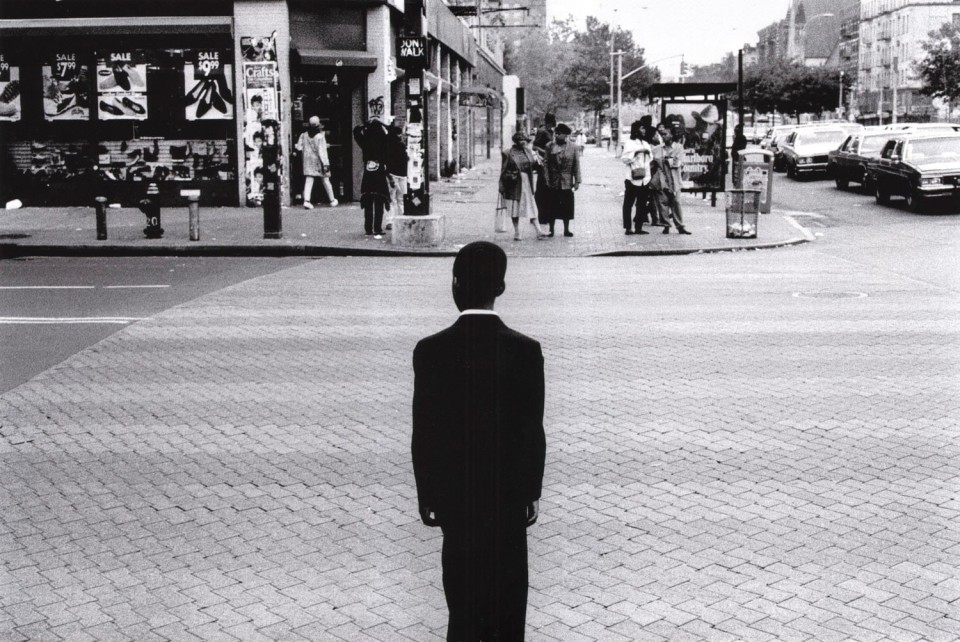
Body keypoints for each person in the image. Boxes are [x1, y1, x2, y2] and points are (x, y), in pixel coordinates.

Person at [412, 241, 546, 642]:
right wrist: (530, 492)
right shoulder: (525, 350)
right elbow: (531, 432)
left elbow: (424, 433)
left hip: (457, 501)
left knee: (464, 601)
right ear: (500, 288)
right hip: (506, 501)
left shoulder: (431, 350)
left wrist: (428, 495)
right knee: (508, 602)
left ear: (455, 284)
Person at [500, 132, 547, 241]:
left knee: (531, 205)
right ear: (516, 141)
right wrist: (502, 185)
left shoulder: (529, 151)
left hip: (526, 182)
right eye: (521, 139)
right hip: (514, 183)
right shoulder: (507, 153)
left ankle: (539, 231)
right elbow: (503, 170)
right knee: (515, 208)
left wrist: (539, 161)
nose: (524, 141)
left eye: (525, 139)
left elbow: (534, 166)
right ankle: (517, 232)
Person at [353, 114, 392, 239]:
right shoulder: (383, 140)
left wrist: (365, 125)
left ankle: (368, 229)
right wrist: (382, 124)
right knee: (379, 200)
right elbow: (393, 131)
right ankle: (377, 228)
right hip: (379, 172)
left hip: (368, 173)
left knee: (368, 200)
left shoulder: (365, 140)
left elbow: (356, 131)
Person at [543, 123, 580, 238]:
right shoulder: (549, 146)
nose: (558, 136)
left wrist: (577, 180)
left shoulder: (573, 147)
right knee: (551, 205)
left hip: (567, 181)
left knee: (567, 206)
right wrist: (547, 179)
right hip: (554, 181)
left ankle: (566, 230)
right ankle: (551, 229)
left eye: (561, 134)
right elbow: (546, 164)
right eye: (557, 134)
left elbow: (576, 164)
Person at [620, 120, 654, 235]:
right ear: (636, 130)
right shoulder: (630, 143)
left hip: (645, 178)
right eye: (642, 128)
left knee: (642, 204)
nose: (644, 131)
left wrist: (647, 154)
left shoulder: (645, 143)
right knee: (628, 204)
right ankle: (628, 228)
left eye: (644, 128)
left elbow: (651, 159)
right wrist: (635, 154)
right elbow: (624, 159)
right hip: (632, 178)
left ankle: (638, 227)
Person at [296, 116, 337, 209]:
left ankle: (306, 201)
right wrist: (326, 163)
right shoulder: (320, 136)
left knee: (309, 179)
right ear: (318, 125)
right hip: (318, 161)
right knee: (325, 179)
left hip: (307, 160)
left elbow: (299, 147)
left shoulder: (303, 135)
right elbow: (322, 152)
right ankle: (332, 200)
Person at [655, 127, 691, 235]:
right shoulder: (658, 149)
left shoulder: (679, 147)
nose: (663, 136)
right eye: (662, 135)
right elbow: (654, 162)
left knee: (676, 202)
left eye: (665, 134)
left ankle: (680, 225)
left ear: (671, 135)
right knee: (663, 202)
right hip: (662, 178)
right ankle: (666, 225)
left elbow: (679, 162)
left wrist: (668, 160)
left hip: (674, 178)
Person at [532, 113, 556, 230]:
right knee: (541, 189)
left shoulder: (551, 132)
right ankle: (540, 216)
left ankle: (546, 215)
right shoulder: (542, 131)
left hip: (550, 163)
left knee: (548, 190)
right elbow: (534, 147)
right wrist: (545, 151)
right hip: (542, 163)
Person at [385, 120, 409, 230]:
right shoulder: (400, 146)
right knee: (400, 198)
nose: (401, 136)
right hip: (399, 175)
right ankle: (400, 218)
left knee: (392, 198)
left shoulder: (390, 145)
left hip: (394, 175)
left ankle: (392, 220)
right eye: (399, 134)